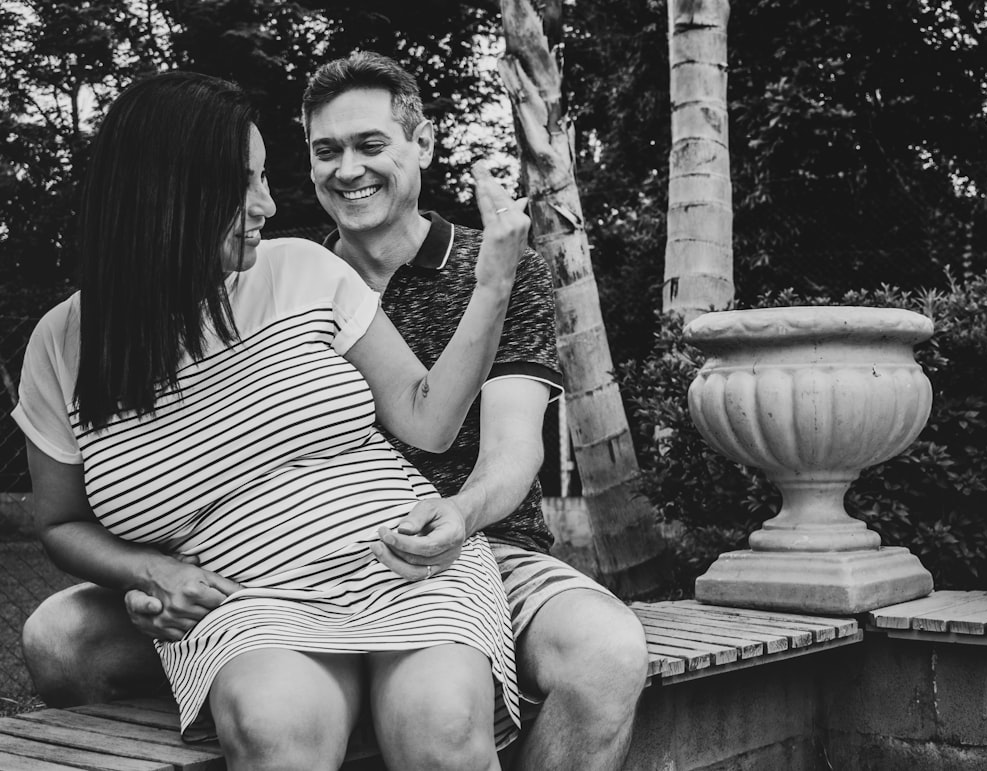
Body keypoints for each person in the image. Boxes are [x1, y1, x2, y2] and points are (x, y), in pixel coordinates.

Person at [23, 52, 650, 770]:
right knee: (272, 726)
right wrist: (147, 573)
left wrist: (493, 282)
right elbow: (61, 518)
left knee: (460, 719)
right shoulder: (71, 339)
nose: (270, 202)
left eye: (370, 144)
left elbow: (484, 439)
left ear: (425, 144)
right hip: (255, 596)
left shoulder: (316, 272)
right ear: (168, 195)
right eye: (325, 151)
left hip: (431, 556)